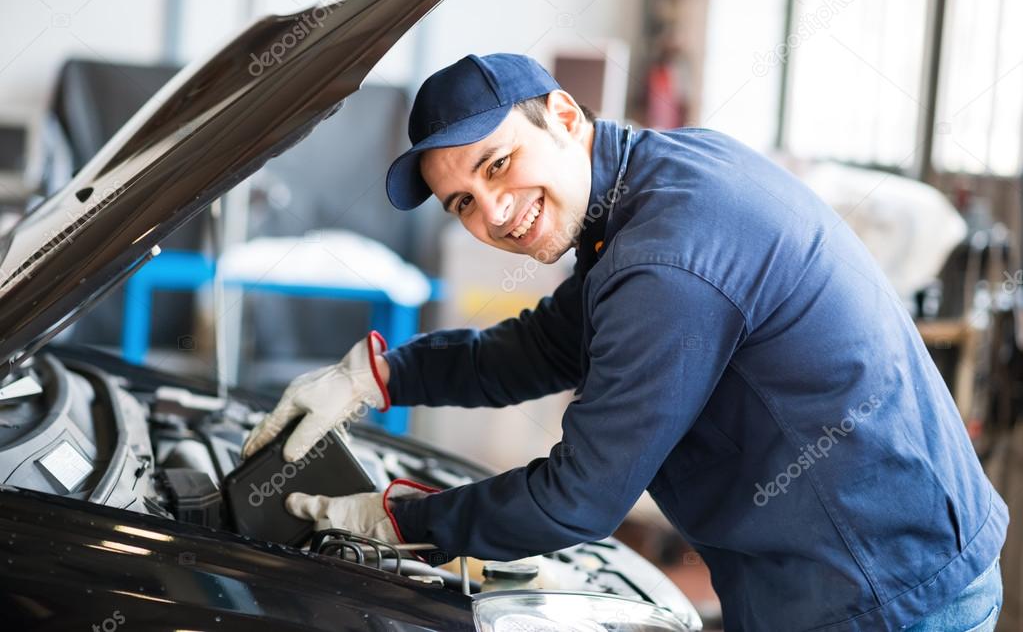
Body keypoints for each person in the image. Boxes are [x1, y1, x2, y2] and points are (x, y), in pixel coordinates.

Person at [241, 53, 1007, 631]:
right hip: (856, 566)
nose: (495, 212)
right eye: (462, 203)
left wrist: (404, 521)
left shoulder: (664, 258)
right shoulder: (649, 187)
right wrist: (373, 376)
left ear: (565, 117)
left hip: (882, 592)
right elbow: (540, 349)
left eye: (498, 163)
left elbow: (578, 498)